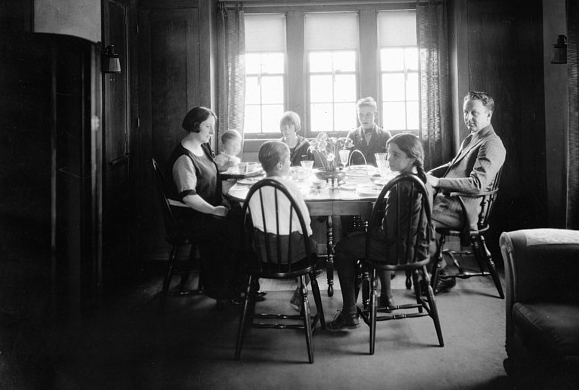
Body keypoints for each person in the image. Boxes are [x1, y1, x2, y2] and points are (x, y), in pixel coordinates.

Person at [327, 133, 433, 332]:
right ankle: (386, 296)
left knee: (343, 247)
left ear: (411, 158)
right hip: (420, 248)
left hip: (397, 251)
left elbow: (386, 233)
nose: (389, 159)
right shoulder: (423, 179)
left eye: (395, 155)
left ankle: (349, 313)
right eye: (388, 153)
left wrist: (367, 231)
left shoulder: (400, 186)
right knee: (357, 240)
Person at [426, 91, 506, 294]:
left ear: (488, 115)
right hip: (450, 201)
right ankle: (424, 267)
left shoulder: (492, 143)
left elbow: (477, 184)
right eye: (465, 112)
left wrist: (438, 182)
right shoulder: (472, 139)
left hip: (465, 208)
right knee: (412, 205)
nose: (468, 118)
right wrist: (429, 173)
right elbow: (454, 165)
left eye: (474, 113)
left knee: (416, 216)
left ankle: (440, 273)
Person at [166, 106, 246, 303]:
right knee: (232, 230)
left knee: (243, 220)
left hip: (204, 211)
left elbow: (213, 176)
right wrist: (214, 210)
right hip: (190, 217)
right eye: (208, 127)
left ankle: (241, 286)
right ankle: (223, 292)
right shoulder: (184, 157)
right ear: (195, 126)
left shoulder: (202, 147)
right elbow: (188, 197)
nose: (212, 132)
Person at [249, 141, 317, 312]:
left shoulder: (254, 189)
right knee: (313, 248)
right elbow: (304, 221)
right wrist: (306, 234)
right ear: (280, 164)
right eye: (288, 160)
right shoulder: (291, 187)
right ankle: (300, 293)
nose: (289, 163)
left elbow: (255, 222)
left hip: (263, 253)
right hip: (290, 253)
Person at [345, 97, 391, 166]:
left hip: (378, 176)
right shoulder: (352, 134)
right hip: (358, 175)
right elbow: (346, 162)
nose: (364, 118)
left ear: (375, 115)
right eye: (361, 115)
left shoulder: (385, 135)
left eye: (368, 114)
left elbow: (390, 161)